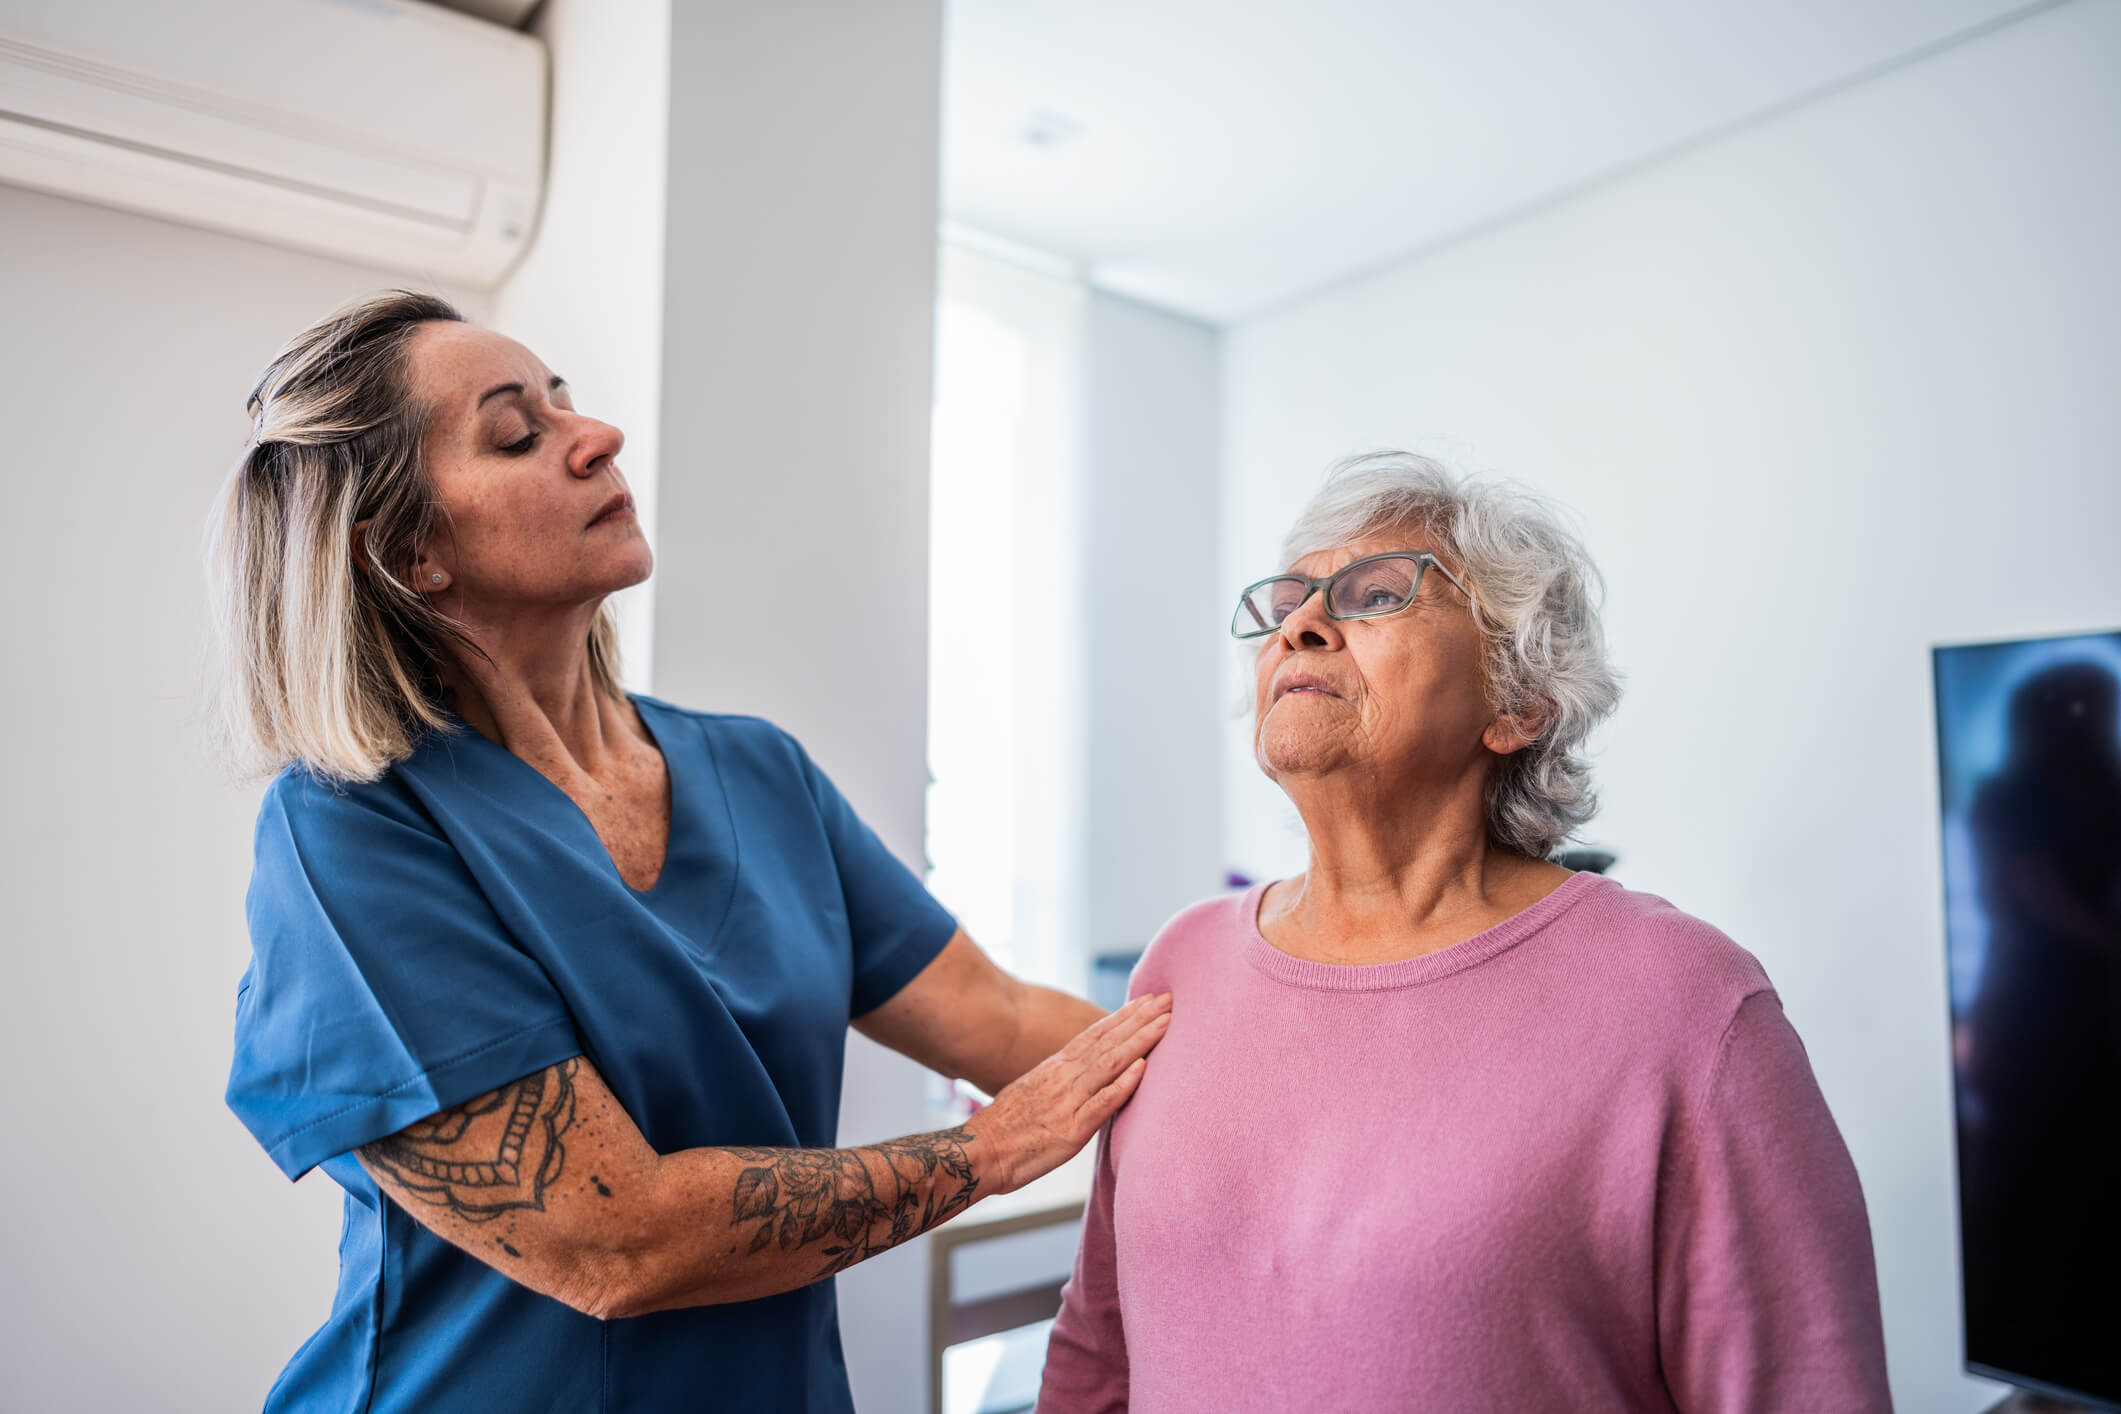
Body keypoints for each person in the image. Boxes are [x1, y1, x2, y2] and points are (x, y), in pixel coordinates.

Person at [206, 290, 1171, 1414]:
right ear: (412, 551)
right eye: (518, 432)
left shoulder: (760, 775)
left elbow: (997, 1017)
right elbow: (615, 1241)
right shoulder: (357, 827)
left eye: (567, 401)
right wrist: (989, 1153)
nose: (596, 435)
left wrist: (1286, 1063)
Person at [1036, 452, 1891, 1413]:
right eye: (1288, 603)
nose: (1301, 626)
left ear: (1515, 702)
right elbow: (1095, 1355)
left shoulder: (1685, 1003)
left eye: (1374, 596)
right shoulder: (1180, 963)